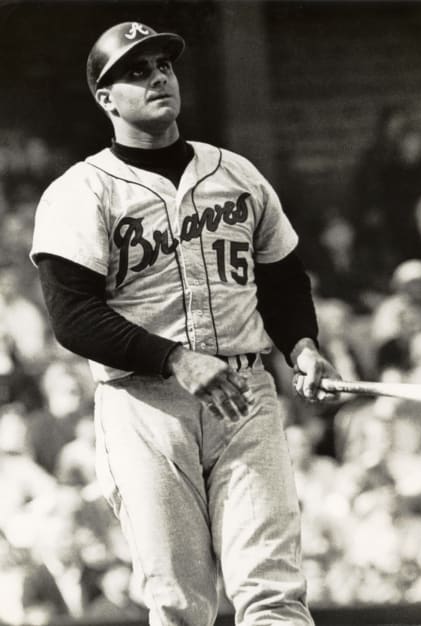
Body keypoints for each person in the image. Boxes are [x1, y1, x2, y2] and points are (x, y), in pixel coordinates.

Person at [30, 21, 341, 626]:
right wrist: (174, 357)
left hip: (244, 392)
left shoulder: (238, 173)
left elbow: (281, 280)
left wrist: (303, 347)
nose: (157, 77)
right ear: (105, 98)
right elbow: (75, 318)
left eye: (163, 65)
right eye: (136, 71)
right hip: (143, 404)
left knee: (273, 592)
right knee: (180, 603)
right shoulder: (81, 192)